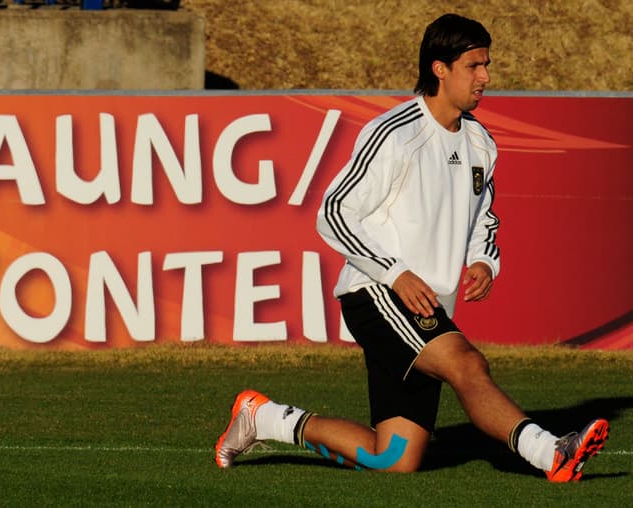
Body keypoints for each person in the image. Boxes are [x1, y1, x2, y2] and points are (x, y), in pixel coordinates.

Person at [213, 13, 608, 481]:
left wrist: (484, 259)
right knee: (467, 365)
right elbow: (335, 211)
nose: (486, 77)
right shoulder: (396, 134)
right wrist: (395, 272)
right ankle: (551, 452)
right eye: (474, 66)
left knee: (394, 458)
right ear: (439, 69)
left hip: (427, 305)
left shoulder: (482, 141)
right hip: (378, 292)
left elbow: (486, 215)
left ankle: (264, 418)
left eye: (487, 64)